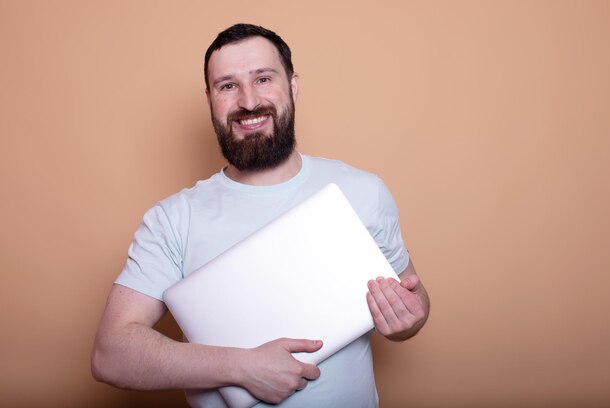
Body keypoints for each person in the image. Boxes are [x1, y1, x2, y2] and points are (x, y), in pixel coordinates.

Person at [91, 23, 430, 407]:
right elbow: (111, 355)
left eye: (263, 78)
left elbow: (415, 305)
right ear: (210, 99)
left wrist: (407, 319)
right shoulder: (172, 219)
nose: (249, 101)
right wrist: (241, 367)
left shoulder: (364, 192)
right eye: (228, 86)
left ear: (293, 85)